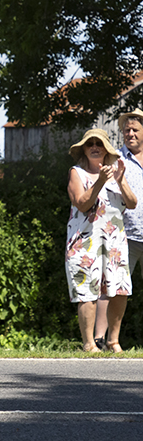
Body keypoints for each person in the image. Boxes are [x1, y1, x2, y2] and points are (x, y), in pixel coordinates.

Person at [66, 128, 136, 352]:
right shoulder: (77, 173)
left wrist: (121, 180)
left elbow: (132, 203)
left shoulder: (117, 172)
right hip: (85, 243)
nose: (95, 146)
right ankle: (89, 343)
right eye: (90, 144)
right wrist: (100, 182)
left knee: (120, 290)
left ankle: (113, 341)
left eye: (99, 143)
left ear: (107, 150)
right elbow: (83, 203)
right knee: (87, 291)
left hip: (114, 242)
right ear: (84, 150)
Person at [93, 110, 143, 348]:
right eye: (127, 130)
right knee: (114, 289)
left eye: (135, 130)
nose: (130, 134)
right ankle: (106, 340)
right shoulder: (115, 160)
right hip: (124, 235)